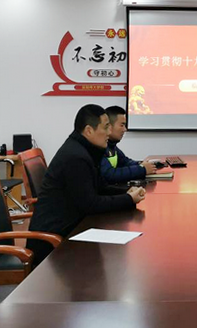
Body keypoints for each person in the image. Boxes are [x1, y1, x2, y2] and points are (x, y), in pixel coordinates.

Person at [27, 104, 146, 265]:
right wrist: (128, 199)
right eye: (106, 127)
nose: (109, 132)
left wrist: (127, 191)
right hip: (54, 245)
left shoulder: (85, 150)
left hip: (72, 230)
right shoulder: (76, 157)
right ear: (89, 130)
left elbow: (100, 187)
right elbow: (91, 204)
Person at [100, 105, 159, 184]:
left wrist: (141, 164)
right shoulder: (100, 147)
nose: (125, 129)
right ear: (109, 126)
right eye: (122, 125)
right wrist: (142, 169)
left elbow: (125, 162)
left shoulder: (112, 146)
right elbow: (110, 174)